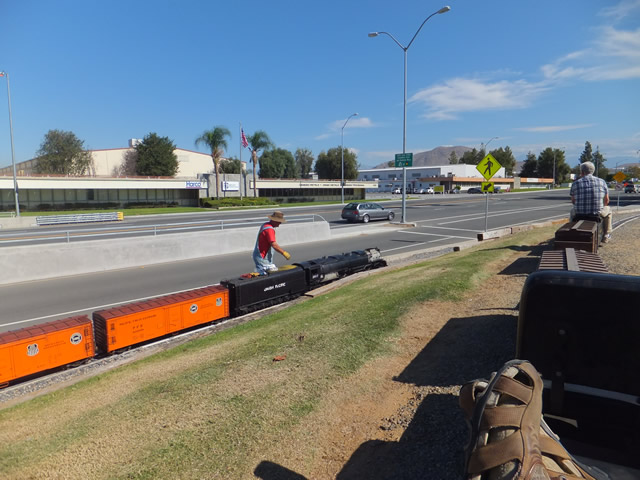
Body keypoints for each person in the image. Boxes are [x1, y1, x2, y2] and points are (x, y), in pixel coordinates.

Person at [570, 161, 612, 243]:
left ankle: (572, 231)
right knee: (608, 209)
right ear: (593, 171)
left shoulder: (575, 183)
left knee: (572, 210)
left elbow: (573, 201)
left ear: (582, 172)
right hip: (596, 214)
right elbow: (606, 200)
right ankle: (606, 234)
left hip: (579, 214)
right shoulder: (602, 182)